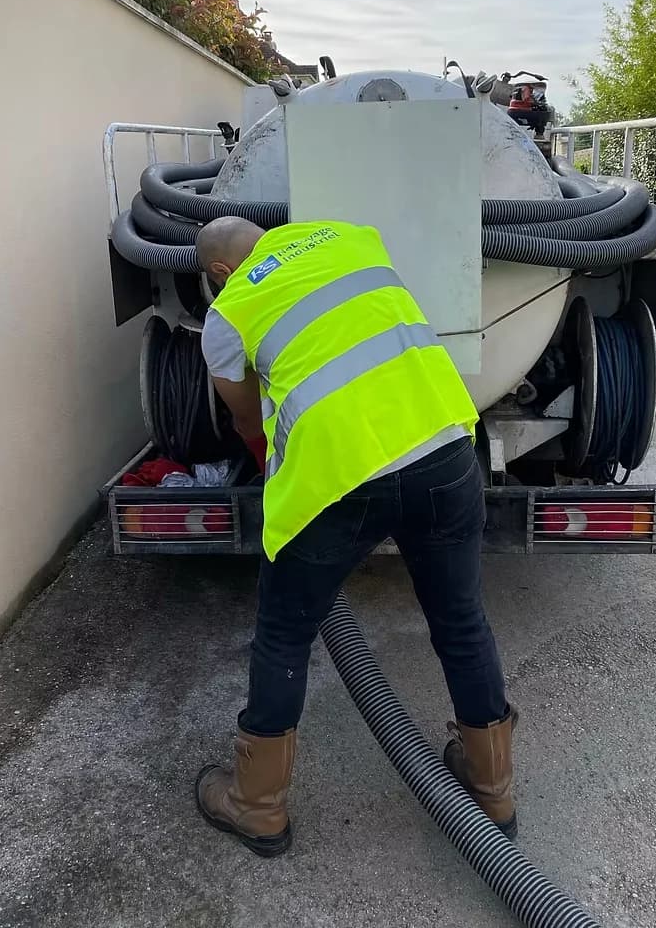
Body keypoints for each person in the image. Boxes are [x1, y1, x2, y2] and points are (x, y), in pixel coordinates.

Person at [195, 215, 516, 857]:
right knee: (460, 619)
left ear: (221, 273)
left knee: (286, 632)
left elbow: (245, 415)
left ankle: (257, 806)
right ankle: (493, 790)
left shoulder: (229, 311)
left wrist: (272, 464)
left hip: (338, 480)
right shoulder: (350, 237)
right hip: (443, 449)